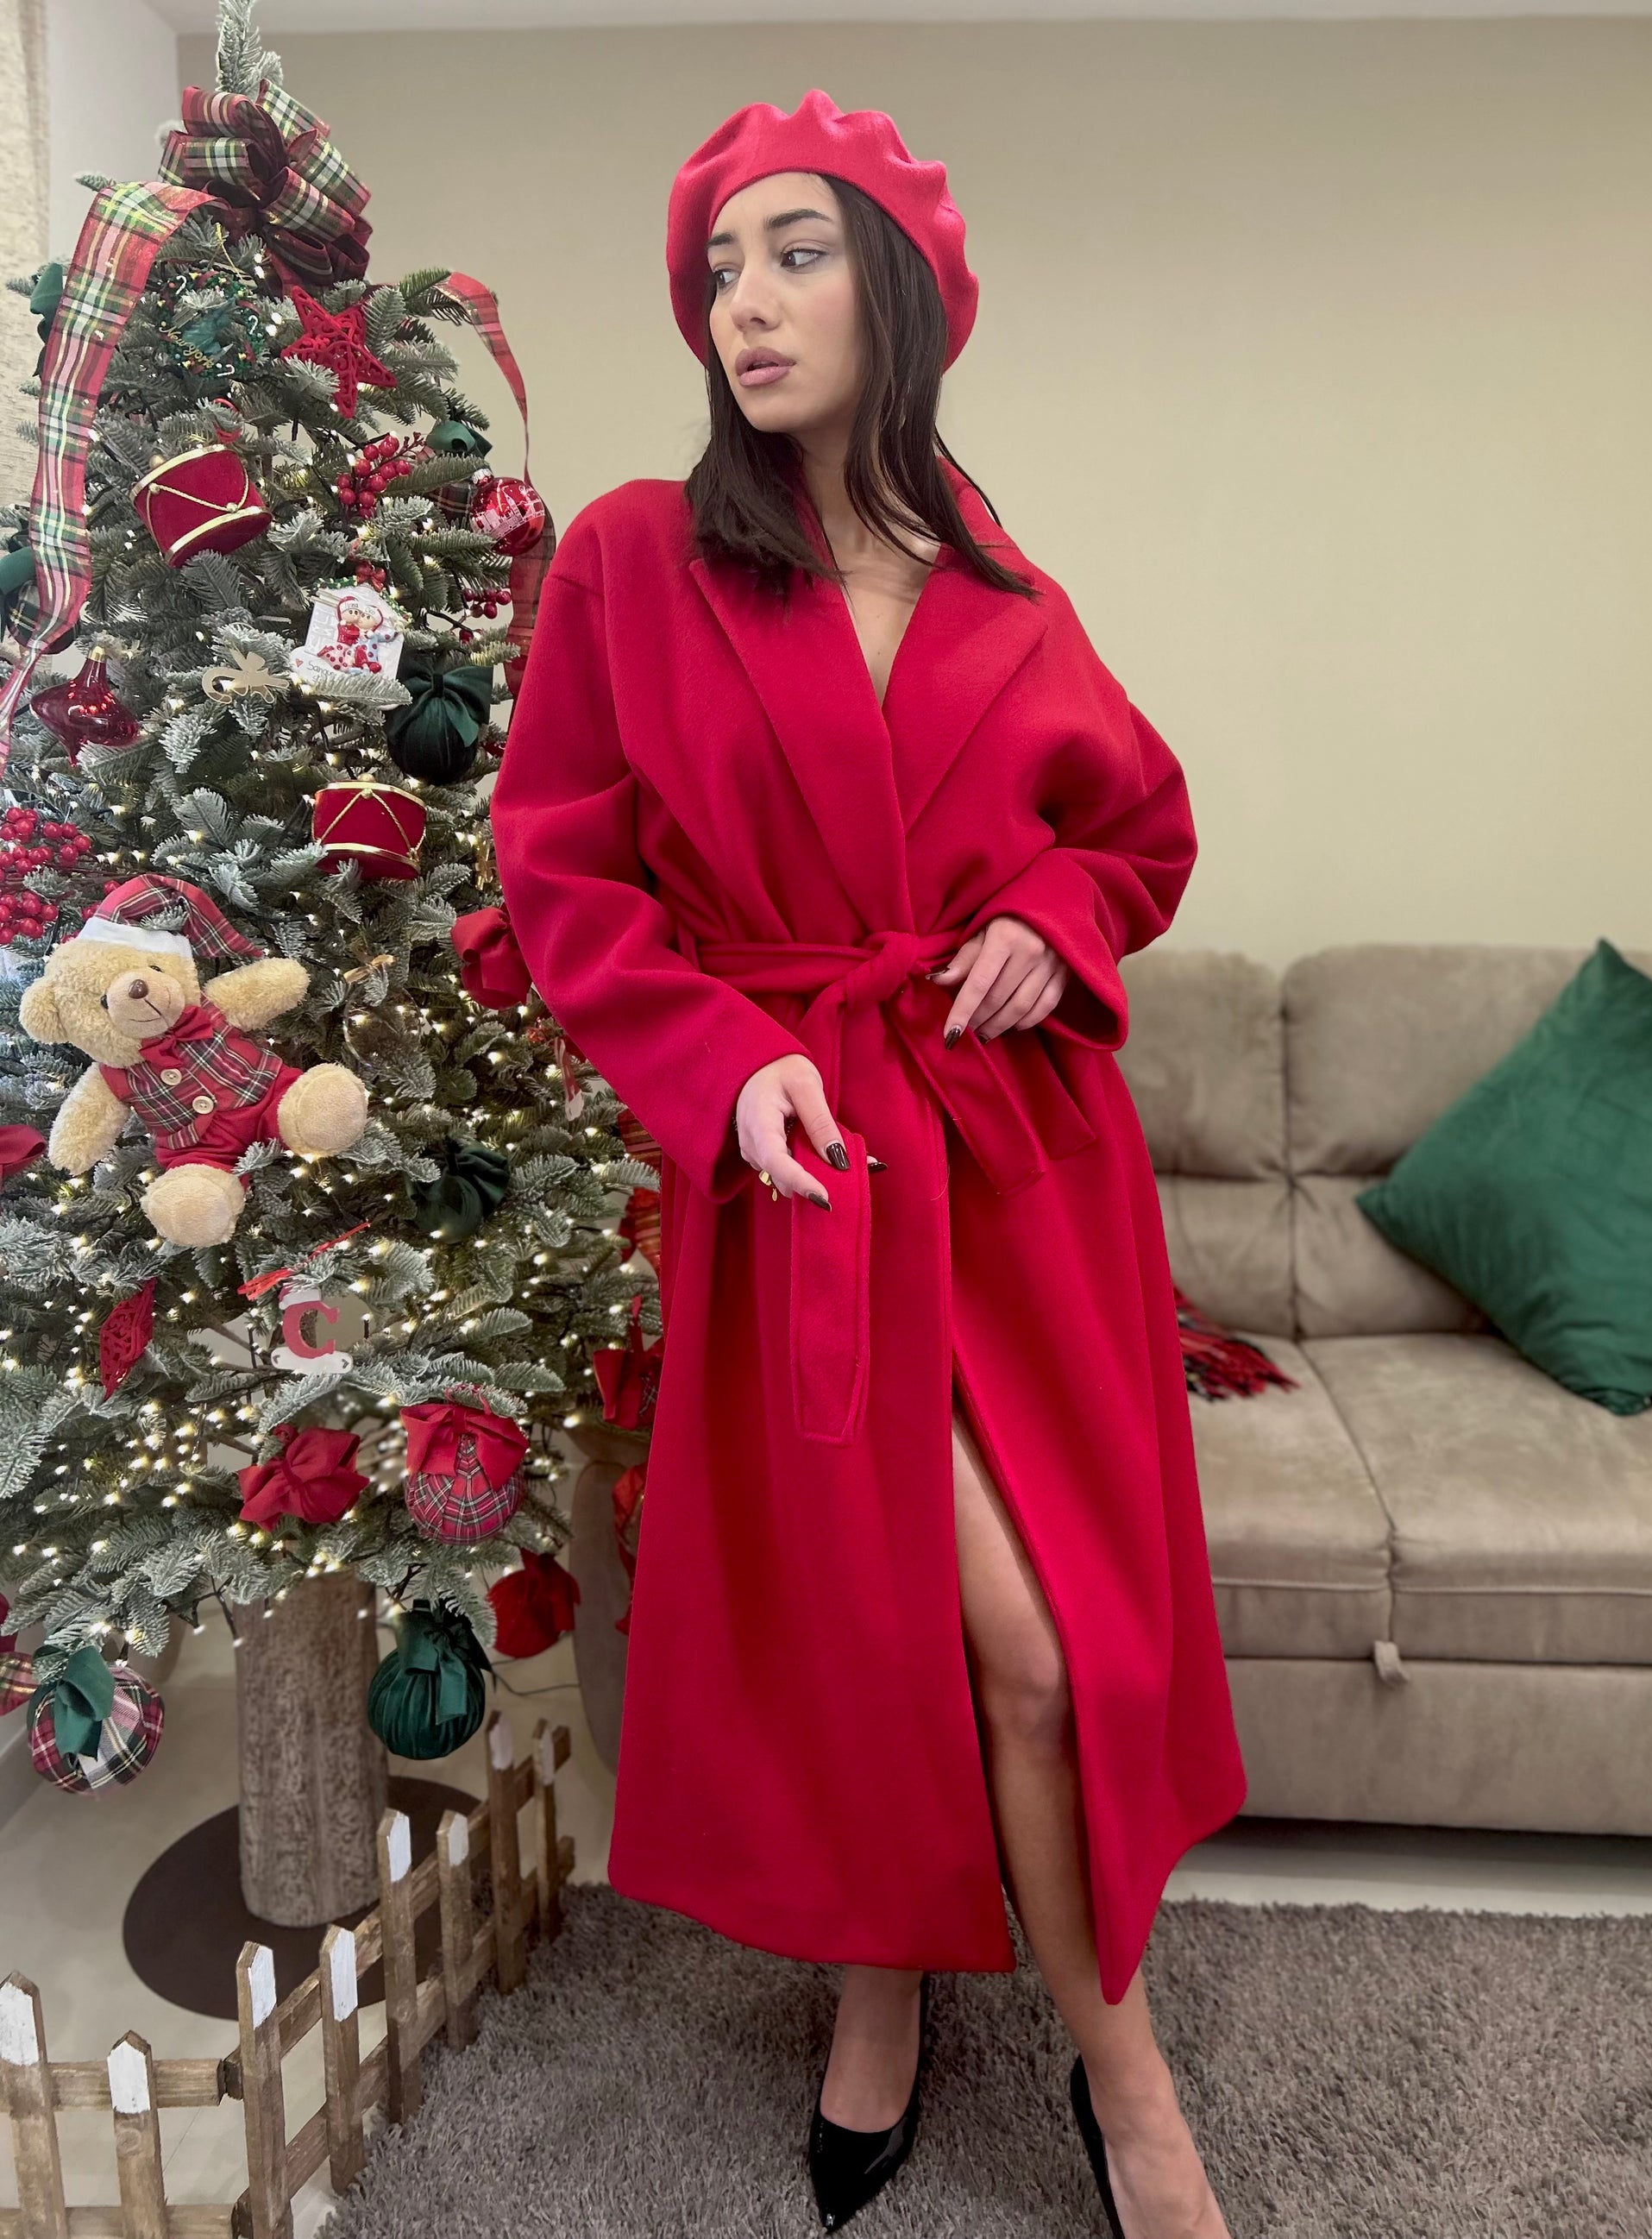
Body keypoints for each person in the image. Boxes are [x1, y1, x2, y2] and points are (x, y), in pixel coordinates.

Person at [490, 86, 1247, 2239]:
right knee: (878, 1620)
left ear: (895, 290)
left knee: (1042, 1650)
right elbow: (560, 872)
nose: (741, 301)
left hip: (1015, 1172)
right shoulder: (633, 559)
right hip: (808, 1161)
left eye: (793, 253)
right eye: (717, 268)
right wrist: (722, 1065)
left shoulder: (1006, 587)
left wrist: (1054, 919)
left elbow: (1138, 831)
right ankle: (896, 1992)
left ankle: (1112, 2070)